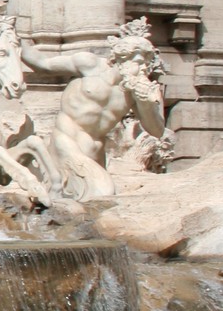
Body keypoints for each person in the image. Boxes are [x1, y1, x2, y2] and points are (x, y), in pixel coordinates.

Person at [19, 19, 170, 200]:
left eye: (148, 63)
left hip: (96, 155)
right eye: (139, 62)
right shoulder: (90, 65)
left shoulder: (138, 91)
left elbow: (157, 130)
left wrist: (146, 103)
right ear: (122, 57)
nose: (144, 68)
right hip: (66, 142)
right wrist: (14, 38)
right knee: (102, 193)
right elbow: (43, 64)